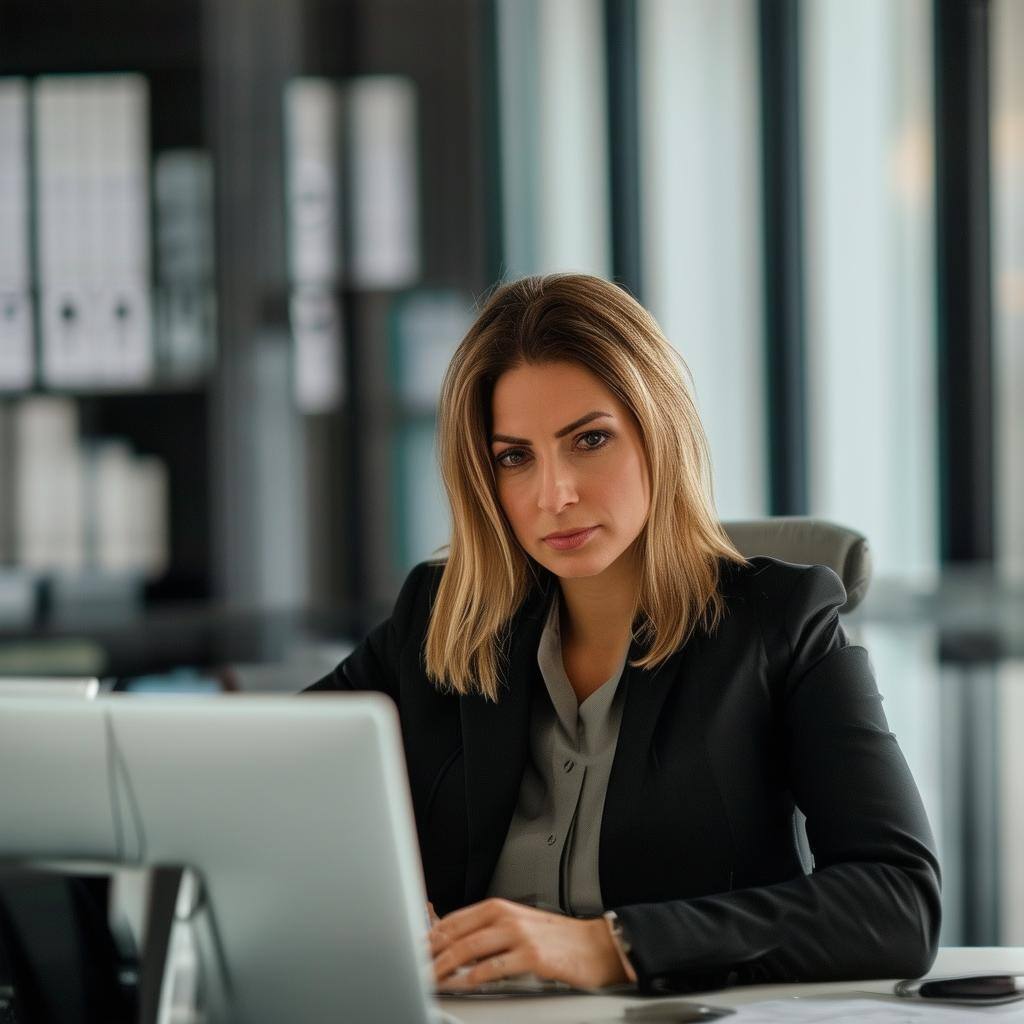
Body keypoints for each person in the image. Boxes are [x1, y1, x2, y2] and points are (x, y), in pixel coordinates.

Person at [306, 273, 941, 995]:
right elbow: (266, 772)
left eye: (590, 440)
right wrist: (360, 892)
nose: (556, 495)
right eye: (515, 457)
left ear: (658, 430)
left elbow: (898, 904)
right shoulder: (438, 618)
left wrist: (611, 947)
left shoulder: (780, 623)